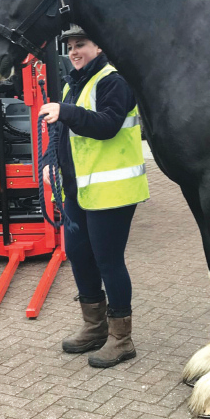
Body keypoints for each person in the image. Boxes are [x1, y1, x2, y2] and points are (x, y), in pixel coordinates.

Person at [40, 25, 149, 368]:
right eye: (70, 46)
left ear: (98, 44)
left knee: (108, 261)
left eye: (80, 44)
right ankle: (94, 327)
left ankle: (121, 339)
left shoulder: (113, 80)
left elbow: (107, 125)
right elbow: (59, 131)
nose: (74, 51)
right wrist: (49, 161)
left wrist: (66, 111)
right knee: (79, 255)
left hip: (112, 192)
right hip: (79, 189)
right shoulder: (77, 82)